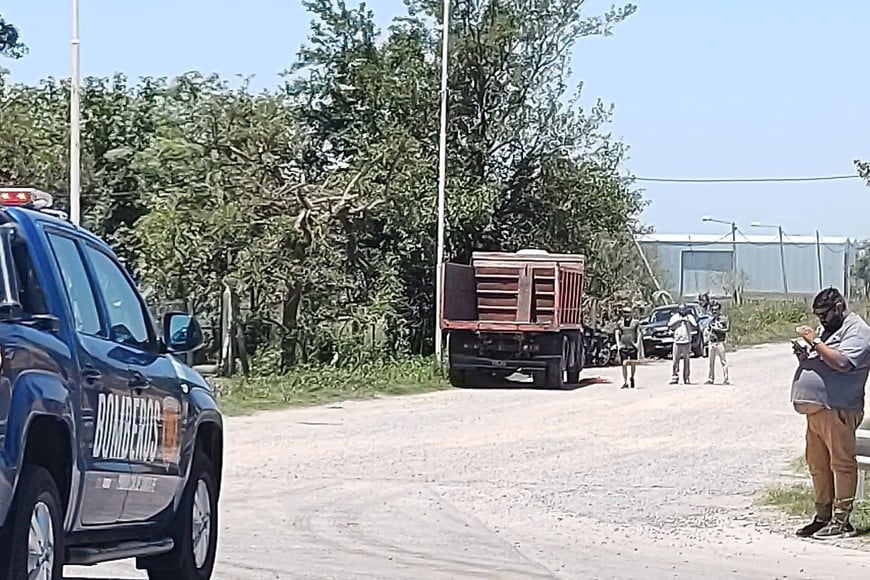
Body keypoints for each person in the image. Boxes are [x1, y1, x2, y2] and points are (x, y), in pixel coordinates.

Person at [791, 287, 870, 540]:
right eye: (817, 315)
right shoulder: (829, 331)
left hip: (838, 408)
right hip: (817, 411)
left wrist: (815, 341)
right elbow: (825, 359)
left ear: (839, 307)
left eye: (824, 314)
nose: (821, 320)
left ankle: (841, 520)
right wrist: (807, 355)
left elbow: (843, 363)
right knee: (818, 465)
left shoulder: (857, 330)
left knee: (841, 464)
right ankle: (822, 516)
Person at [668, 302, 697, 385]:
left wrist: (688, 321)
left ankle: (686, 378)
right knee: (675, 361)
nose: (682, 310)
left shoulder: (689, 317)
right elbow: (669, 325)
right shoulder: (675, 316)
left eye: (683, 309)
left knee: (686, 361)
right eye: (680, 309)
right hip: (677, 341)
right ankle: (675, 377)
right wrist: (678, 320)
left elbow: (695, 325)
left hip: (686, 341)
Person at [614, 306, 641, 389]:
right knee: (624, 364)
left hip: (632, 345)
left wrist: (637, 344)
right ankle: (625, 382)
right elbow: (617, 333)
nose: (626, 314)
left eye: (628, 312)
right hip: (623, 345)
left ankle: (632, 377)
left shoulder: (636, 322)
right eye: (624, 312)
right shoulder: (620, 323)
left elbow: (639, 333)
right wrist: (618, 344)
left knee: (633, 363)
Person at [705, 301, 730, 385]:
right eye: (713, 310)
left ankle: (726, 379)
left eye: (716, 310)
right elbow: (708, 329)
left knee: (723, 361)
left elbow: (727, 329)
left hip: (720, 342)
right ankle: (711, 378)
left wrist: (717, 329)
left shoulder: (723, 319)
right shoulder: (711, 320)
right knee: (711, 362)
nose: (714, 311)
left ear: (719, 310)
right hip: (712, 342)